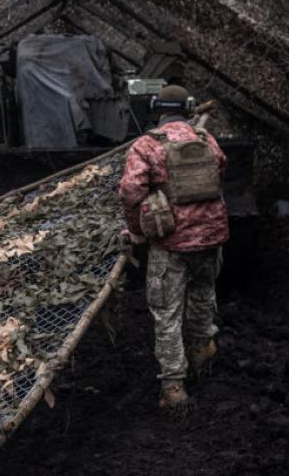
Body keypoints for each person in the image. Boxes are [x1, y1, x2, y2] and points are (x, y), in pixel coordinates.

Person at [118, 85, 228, 411]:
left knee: (166, 312)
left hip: (172, 243)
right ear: (189, 107)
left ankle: (173, 387)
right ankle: (203, 348)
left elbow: (129, 192)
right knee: (203, 294)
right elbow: (220, 170)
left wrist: (138, 231)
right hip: (211, 238)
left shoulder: (148, 145)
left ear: (156, 107)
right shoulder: (206, 139)